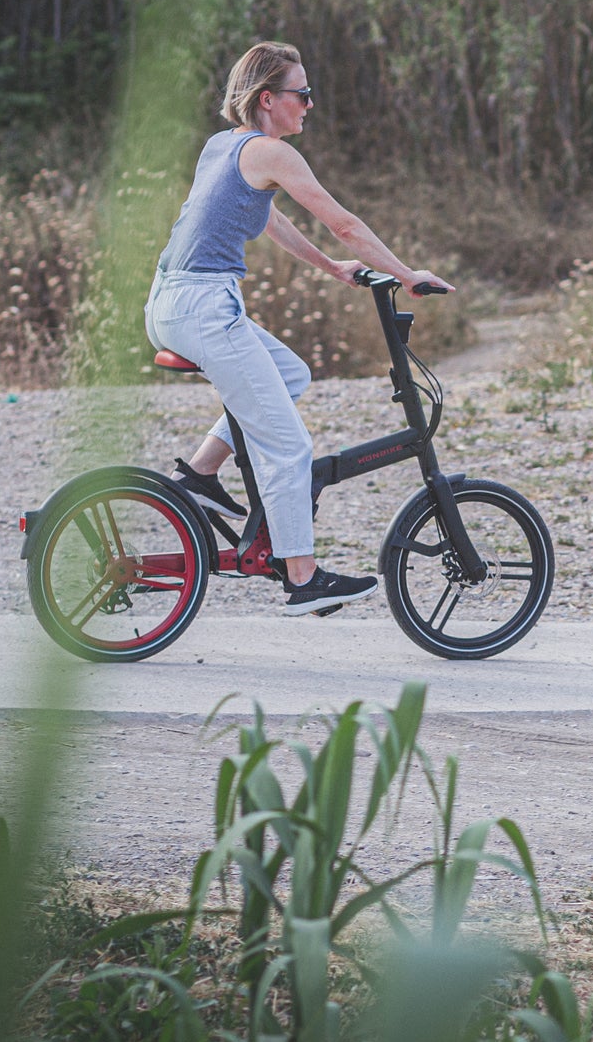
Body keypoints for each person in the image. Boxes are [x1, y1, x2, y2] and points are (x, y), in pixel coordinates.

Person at [145, 41, 453, 615]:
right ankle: (302, 577)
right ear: (269, 99)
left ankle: (199, 471)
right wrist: (407, 274)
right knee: (288, 445)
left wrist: (334, 271)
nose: (310, 104)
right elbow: (343, 222)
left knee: (291, 373)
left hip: (170, 301)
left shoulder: (224, 146)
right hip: (205, 306)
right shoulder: (270, 152)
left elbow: (269, 218)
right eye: (302, 94)